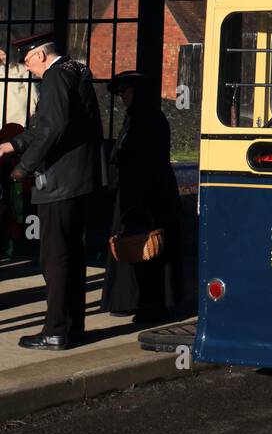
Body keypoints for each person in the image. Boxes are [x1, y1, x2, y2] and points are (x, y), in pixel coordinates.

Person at [0, 33, 102, 349]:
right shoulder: (74, 72)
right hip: (78, 180)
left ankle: (55, 329)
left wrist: (24, 166)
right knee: (72, 254)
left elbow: (53, 128)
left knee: (54, 259)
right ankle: (73, 326)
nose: (28, 68)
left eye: (28, 61)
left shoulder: (56, 77)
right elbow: (47, 126)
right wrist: (13, 144)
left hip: (58, 182)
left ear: (42, 56)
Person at [100, 71, 184, 324]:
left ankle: (151, 303)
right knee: (133, 247)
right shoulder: (135, 117)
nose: (123, 97)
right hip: (134, 191)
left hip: (147, 193)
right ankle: (132, 299)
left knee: (148, 249)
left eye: (126, 91)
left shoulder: (148, 119)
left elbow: (145, 159)